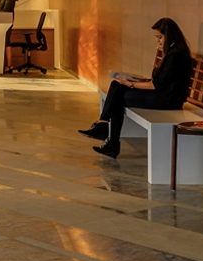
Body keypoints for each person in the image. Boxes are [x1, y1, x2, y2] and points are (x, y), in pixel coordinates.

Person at [78, 17, 193, 158]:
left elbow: (156, 85)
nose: (157, 41)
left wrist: (131, 84)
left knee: (117, 97)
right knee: (116, 85)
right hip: (161, 94)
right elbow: (160, 81)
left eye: (160, 37)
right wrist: (133, 81)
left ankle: (108, 136)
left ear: (169, 35)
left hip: (168, 100)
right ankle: (105, 128)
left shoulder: (176, 55)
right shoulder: (172, 51)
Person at [0, 0, 20, 72]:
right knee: (5, 42)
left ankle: (9, 65)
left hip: (7, 22)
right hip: (4, 22)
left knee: (7, 42)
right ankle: (7, 64)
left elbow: (7, 10)